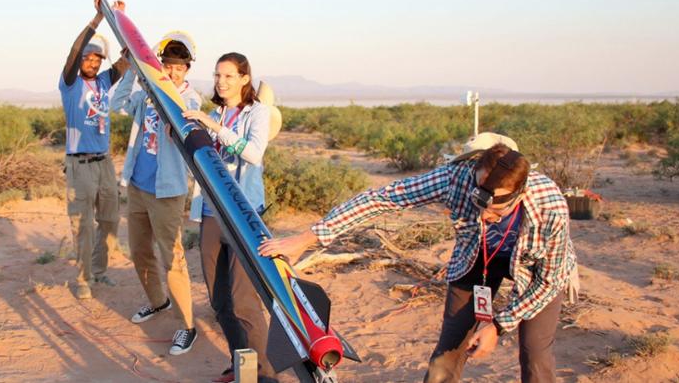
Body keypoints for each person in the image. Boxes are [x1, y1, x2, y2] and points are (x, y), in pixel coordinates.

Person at [259, 135, 578, 383]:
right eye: (478, 203)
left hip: (536, 272)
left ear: (519, 194)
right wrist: (307, 239)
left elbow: (548, 281)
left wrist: (498, 324)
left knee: (535, 351)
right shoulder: (457, 177)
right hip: (475, 258)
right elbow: (380, 198)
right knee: (452, 346)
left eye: (496, 210)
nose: (484, 215)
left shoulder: (550, 206)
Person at [182, 52, 278, 383]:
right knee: (220, 300)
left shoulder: (256, 113)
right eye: (218, 76)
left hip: (243, 213)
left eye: (228, 76)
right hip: (211, 212)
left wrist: (215, 128)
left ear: (244, 79)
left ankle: (264, 374)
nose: (221, 82)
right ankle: (242, 367)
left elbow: (253, 153)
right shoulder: (213, 112)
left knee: (244, 300)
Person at [109, 32, 201, 356]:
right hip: (138, 185)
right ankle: (157, 301)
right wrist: (134, 68)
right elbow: (116, 104)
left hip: (168, 193)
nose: (173, 71)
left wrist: (161, 86)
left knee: (172, 258)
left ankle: (187, 326)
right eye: (168, 65)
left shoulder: (190, 100)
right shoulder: (146, 93)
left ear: (187, 69)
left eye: (179, 67)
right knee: (139, 250)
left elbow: (184, 122)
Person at [59, 0, 128, 300]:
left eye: (97, 59)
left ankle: (100, 271)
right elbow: (75, 49)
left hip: (104, 164)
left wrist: (119, 20)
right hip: (80, 165)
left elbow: (127, 57)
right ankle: (84, 278)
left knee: (110, 220)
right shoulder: (70, 82)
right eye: (88, 57)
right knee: (83, 225)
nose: (91, 61)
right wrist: (99, 17)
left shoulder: (103, 82)